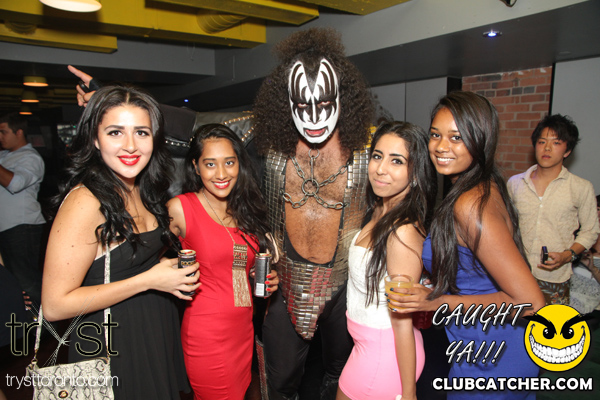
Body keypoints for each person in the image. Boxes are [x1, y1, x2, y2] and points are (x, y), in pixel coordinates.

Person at [68, 28, 374, 399]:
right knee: (279, 384)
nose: (313, 114)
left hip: (344, 287)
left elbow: (400, 199)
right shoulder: (266, 151)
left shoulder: (367, 158)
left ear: (342, 98)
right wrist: (108, 96)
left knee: (342, 377)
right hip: (283, 289)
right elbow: (199, 126)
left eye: (323, 102)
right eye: (301, 103)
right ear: (286, 102)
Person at [42, 85, 198, 399]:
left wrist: (160, 266)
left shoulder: (141, 187)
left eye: (141, 132)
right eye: (115, 132)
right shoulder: (85, 202)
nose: (130, 145)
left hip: (153, 332)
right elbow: (54, 306)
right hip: (113, 347)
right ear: (95, 139)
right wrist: (149, 280)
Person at [389, 91, 545, 399]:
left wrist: (436, 302)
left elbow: (531, 303)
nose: (441, 146)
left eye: (456, 138)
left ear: (480, 140)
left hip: (494, 355)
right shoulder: (480, 186)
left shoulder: (471, 204)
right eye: (435, 134)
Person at [167, 123, 280, 399]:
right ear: (195, 167)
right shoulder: (181, 208)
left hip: (242, 332)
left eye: (229, 162)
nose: (221, 174)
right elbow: (148, 263)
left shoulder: (244, 209)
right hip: (207, 335)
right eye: (210, 164)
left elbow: (236, 263)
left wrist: (261, 277)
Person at [337, 121, 437, 400]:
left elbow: (402, 321)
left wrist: (409, 393)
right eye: (377, 156)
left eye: (397, 161)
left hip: (386, 355)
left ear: (415, 173)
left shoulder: (402, 231)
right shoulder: (379, 209)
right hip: (367, 347)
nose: (381, 168)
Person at [507, 114, 600, 305]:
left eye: (556, 142)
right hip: (514, 273)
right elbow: (505, 224)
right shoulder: (515, 183)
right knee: (512, 322)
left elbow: (590, 231)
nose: (547, 148)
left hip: (554, 277)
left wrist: (568, 255)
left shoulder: (581, 187)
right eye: (542, 142)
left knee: (549, 324)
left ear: (567, 151)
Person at [0, 113, 46, 309]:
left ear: (19, 132)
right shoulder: (4, 156)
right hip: (7, 226)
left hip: (22, 227)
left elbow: (15, 184)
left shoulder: (31, 157)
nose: (0, 137)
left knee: (26, 280)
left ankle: (44, 319)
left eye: (3, 132)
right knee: (11, 280)